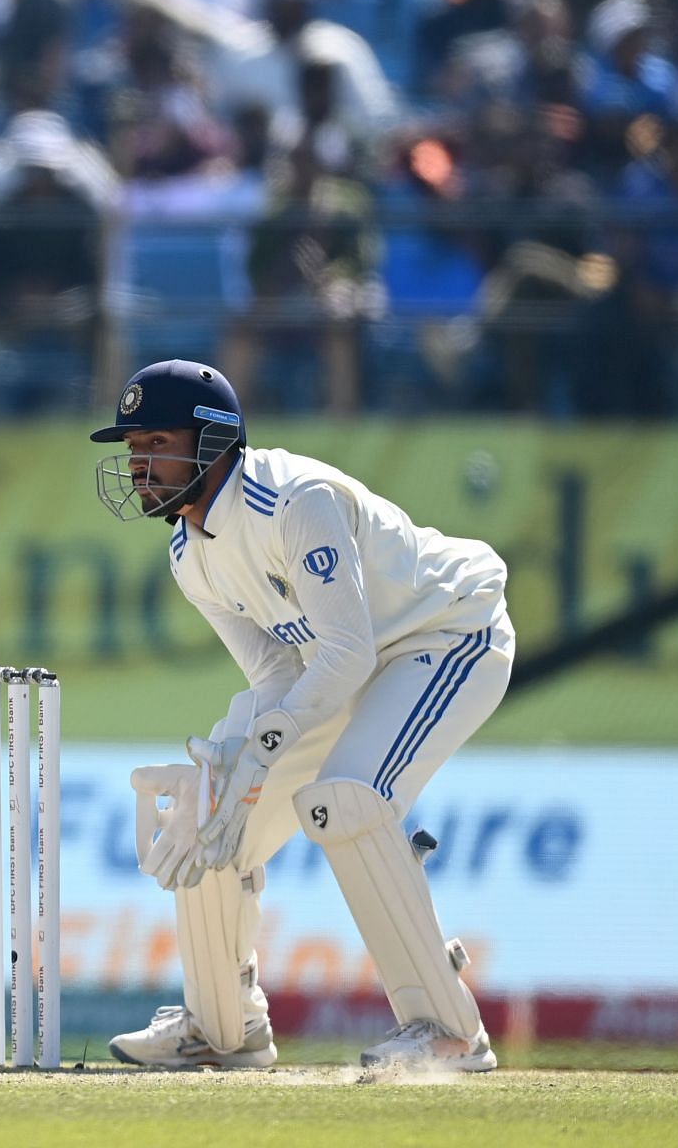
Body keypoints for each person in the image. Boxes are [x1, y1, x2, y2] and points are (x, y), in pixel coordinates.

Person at [93, 359, 512, 1072]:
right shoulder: (189, 554)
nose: (139, 466)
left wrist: (265, 746)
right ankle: (223, 1028)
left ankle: (447, 1031)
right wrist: (239, 759)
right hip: (337, 663)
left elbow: (347, 654)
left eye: (155, 443)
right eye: (132, 450)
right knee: (208, 806)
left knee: (346, 798)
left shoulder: (294, 502)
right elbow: (278, 671)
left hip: (445, 635)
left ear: (212, 440)